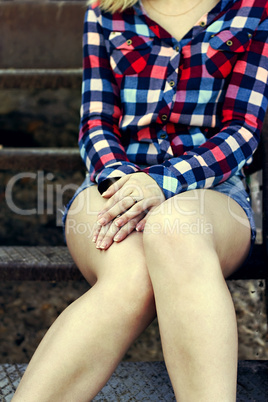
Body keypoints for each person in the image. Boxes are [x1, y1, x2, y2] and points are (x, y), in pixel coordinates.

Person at [13, 0, 268, 400]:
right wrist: (126, 184)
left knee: (177, 230)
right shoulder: (105, 10)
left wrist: (163, 183)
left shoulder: (253, 9)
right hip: (111, 182)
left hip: (210, 185)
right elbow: (96, 121)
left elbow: (242, 128)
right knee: (131, 275)